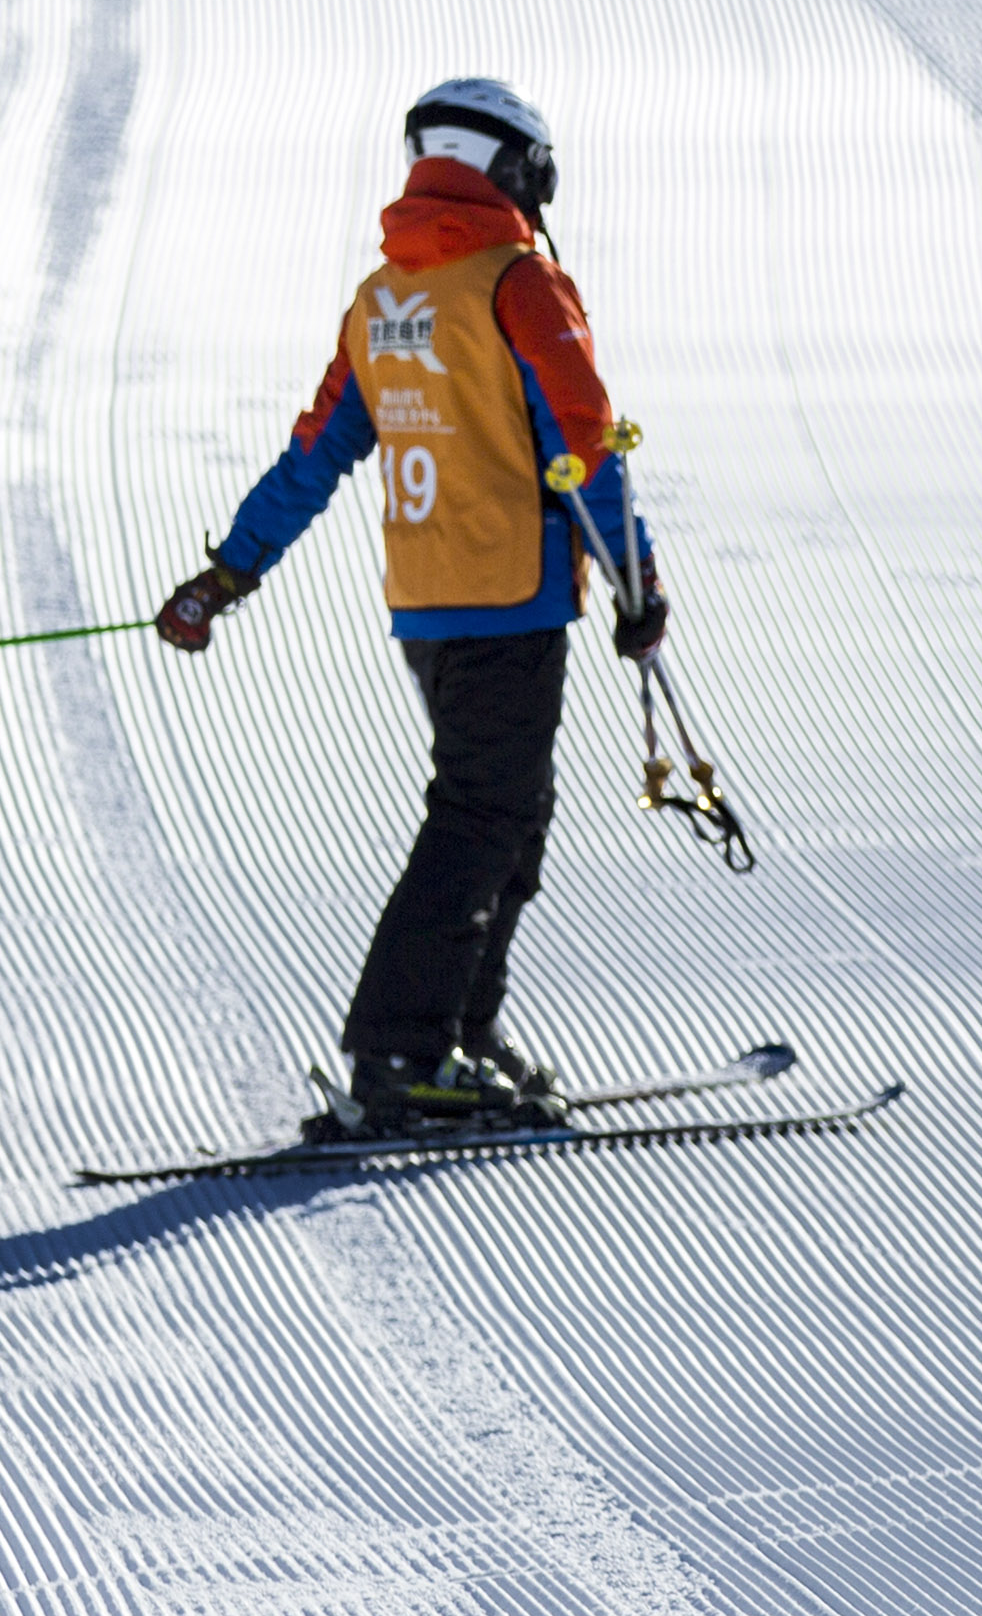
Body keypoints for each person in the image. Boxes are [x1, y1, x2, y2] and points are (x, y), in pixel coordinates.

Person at [155, 78, 667, 1138]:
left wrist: (232, 570)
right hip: (511, 600)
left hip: (429, 609)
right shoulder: (520, 283)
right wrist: (636, 579)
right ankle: (401, 1047)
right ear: (518, 170)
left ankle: (463, 1033)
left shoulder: (383, 299)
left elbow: (314, 453)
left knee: (509, 813)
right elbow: (583, 440)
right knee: (483, 816)